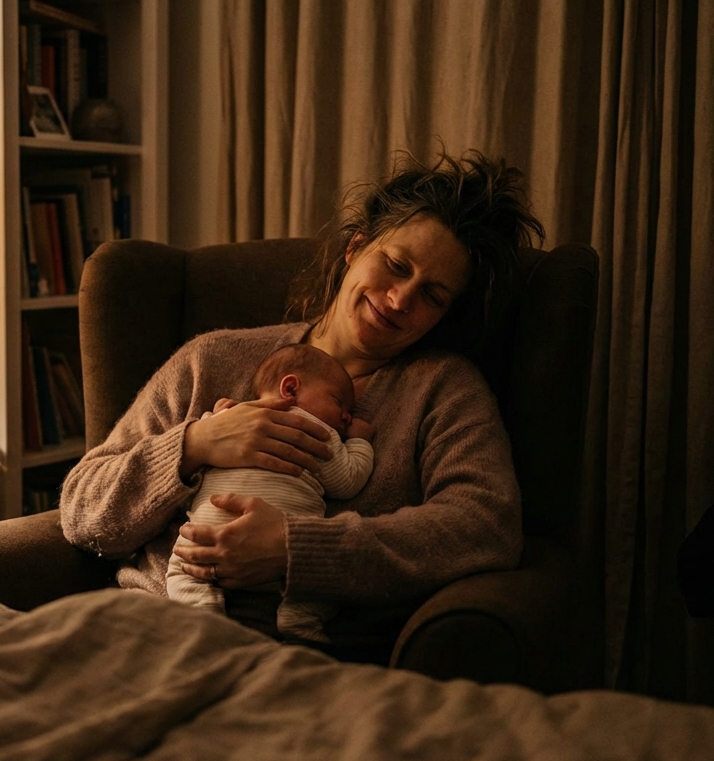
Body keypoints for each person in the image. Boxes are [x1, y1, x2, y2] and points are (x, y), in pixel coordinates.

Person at [59, 149, 544, 661]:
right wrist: (194, 444)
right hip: (154, 630)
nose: (401, 299)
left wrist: (298, 550)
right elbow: (81, 511)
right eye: (396, 265)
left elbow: (485, 525)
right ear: (355, 249)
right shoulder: (211, 360)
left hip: (309, 653)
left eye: (433, 295)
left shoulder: (442, 390)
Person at [166, 343, 375, 643]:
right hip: (282, 568)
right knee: (319, 584)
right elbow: (348, 481)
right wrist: (359, 442)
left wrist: (212, 418)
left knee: (183, 571)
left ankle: (203, 617)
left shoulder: (229, 417)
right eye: (338, 402)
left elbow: (202, 450)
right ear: (290, 388)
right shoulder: (319, 432)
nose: (345, 417)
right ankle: (299, 617)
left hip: (209, 539)